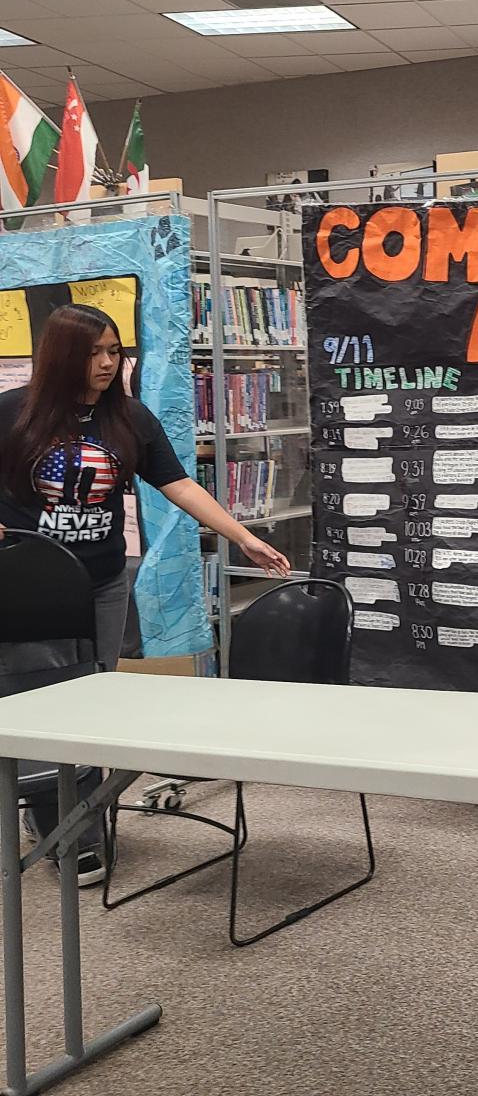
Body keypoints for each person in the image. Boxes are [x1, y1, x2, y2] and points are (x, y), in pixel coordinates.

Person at [0, 304, 290, 885]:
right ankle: (62, 826)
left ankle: (76, 819)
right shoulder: (12, 412)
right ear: (61, 356)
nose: (107, 363)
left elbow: (177, 482)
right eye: (93, 353)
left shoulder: (129, 417)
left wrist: (241, 537)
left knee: (91, 700)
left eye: (115, 351)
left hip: (103, 581)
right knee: (40, 702)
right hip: (28, 588)